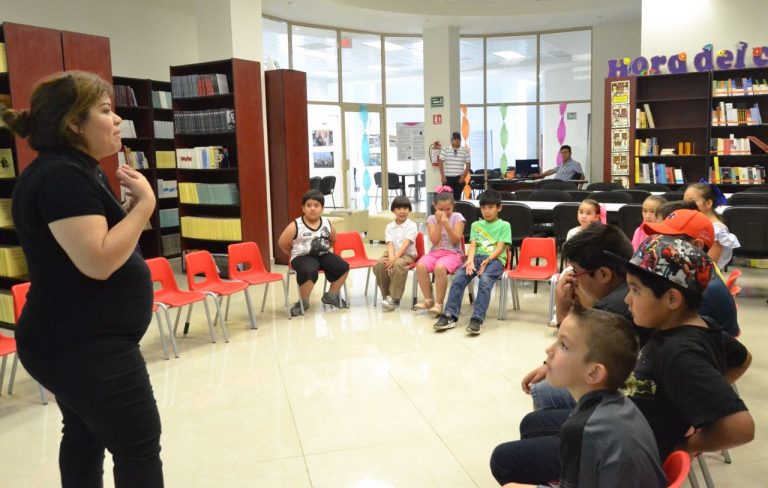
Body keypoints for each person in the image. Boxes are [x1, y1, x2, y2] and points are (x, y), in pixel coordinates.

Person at [3, 71, 164, 487]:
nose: (118, 121)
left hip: (77, 340)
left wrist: (128, 213)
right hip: (85, 346)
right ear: (73, 123)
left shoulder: (74, 169)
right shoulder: (62, 176)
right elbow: (99, 261)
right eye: (107, 111)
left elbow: (100, 247)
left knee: (85, 433)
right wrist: (145, 205)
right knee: (138, 446)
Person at [490, 235, 754, 485]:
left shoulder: (681, 352)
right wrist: (695, 403)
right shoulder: (695, 325)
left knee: (504, 460)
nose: (627, 299)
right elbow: (742, 358)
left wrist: (689, 442)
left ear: (672, 299)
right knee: (532, 424)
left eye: (635, 291)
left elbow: (741, 427)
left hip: (620, 444)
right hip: (621, 420)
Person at [508, 305, 667, 488]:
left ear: (593, 373)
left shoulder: (582, 428)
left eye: (563, 345)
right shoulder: (620, 404)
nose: (548, 350)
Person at [643, 208, 740, 336]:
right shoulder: (690, 273)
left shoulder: (702, 289)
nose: (659, 243)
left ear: (697, 246)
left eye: (669, 239)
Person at [433, 189, 510, 334]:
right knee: (459, 278)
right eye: (483, 208)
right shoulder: (476, 225)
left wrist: (488, 260)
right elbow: (473, 245)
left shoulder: (504, 225)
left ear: (499, 208)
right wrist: (469, 260)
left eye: (491, 207)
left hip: (495, 260)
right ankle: (449, 315)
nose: (486, 211)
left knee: (485, 280)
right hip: (476, 258)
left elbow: (500, 247)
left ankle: (477, 318)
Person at [277, 189, 350, 316]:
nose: (312, 209)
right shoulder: (296, 225)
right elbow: (282, 242)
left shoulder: (327, 223)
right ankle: (303, 303)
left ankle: (331, 296)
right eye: (309, 205)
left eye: (316, 206)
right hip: (302, 256)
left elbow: (333, 239)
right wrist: (293, 253)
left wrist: (324, 249)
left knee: (343, 266)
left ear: (321, 208)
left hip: (322, 254)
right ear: (303, 208)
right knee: (309, 270)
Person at [548, 199, 603, 325]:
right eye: (581, 212)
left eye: (588, 213)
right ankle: (559, 313)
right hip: (575, 266)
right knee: (564, 279)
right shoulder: (572, 232)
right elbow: (570, 256)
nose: (583, 216)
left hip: (594, 267)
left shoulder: (600, 233)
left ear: (597, 217)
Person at [414, 188, 465, 316]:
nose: (445, 213)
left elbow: (455, 240)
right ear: (435, 206)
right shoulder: (431, 219)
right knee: (420, 265)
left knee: (440, 267)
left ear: (453, 206)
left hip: (453, 254)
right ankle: (428, 300)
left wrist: (447, 226)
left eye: (448, 209)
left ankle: (439, 303)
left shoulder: (458, 217)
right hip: (435, 252)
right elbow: (435, 240)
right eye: (441, 210)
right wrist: (438, 223)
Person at [372, 195, 418, 311]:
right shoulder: (389, 227)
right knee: (380, 264)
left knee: (397, 265)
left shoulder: (412, 225)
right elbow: (390, 244)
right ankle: (386, 295)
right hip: (391, 253)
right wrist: (391, 258)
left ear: (409, 210)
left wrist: (394, 259)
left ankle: (395, 298)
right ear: (393, 210)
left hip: (407, 254)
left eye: (405, 208)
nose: (402, 211)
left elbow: (406, 244)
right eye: (398, 208)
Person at [684, 182, 740, 269]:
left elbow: (709, 266)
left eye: (692, 202)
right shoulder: (694, 222)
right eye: (685, 202)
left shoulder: (717, 230)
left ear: (708, 203)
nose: (686, 206)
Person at [438, 131, 470, 201]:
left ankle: (456, 211)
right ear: (451, 140)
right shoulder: (445, 149)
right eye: (455, 139)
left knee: (457, 198)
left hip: (459, 178)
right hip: (447, 178)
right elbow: (440, 162)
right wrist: (442, 176)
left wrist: (464, 176)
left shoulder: (465, 150)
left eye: (458, 139)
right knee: (447, 198)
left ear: (460, 140)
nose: (457, 141)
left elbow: (468, 165)